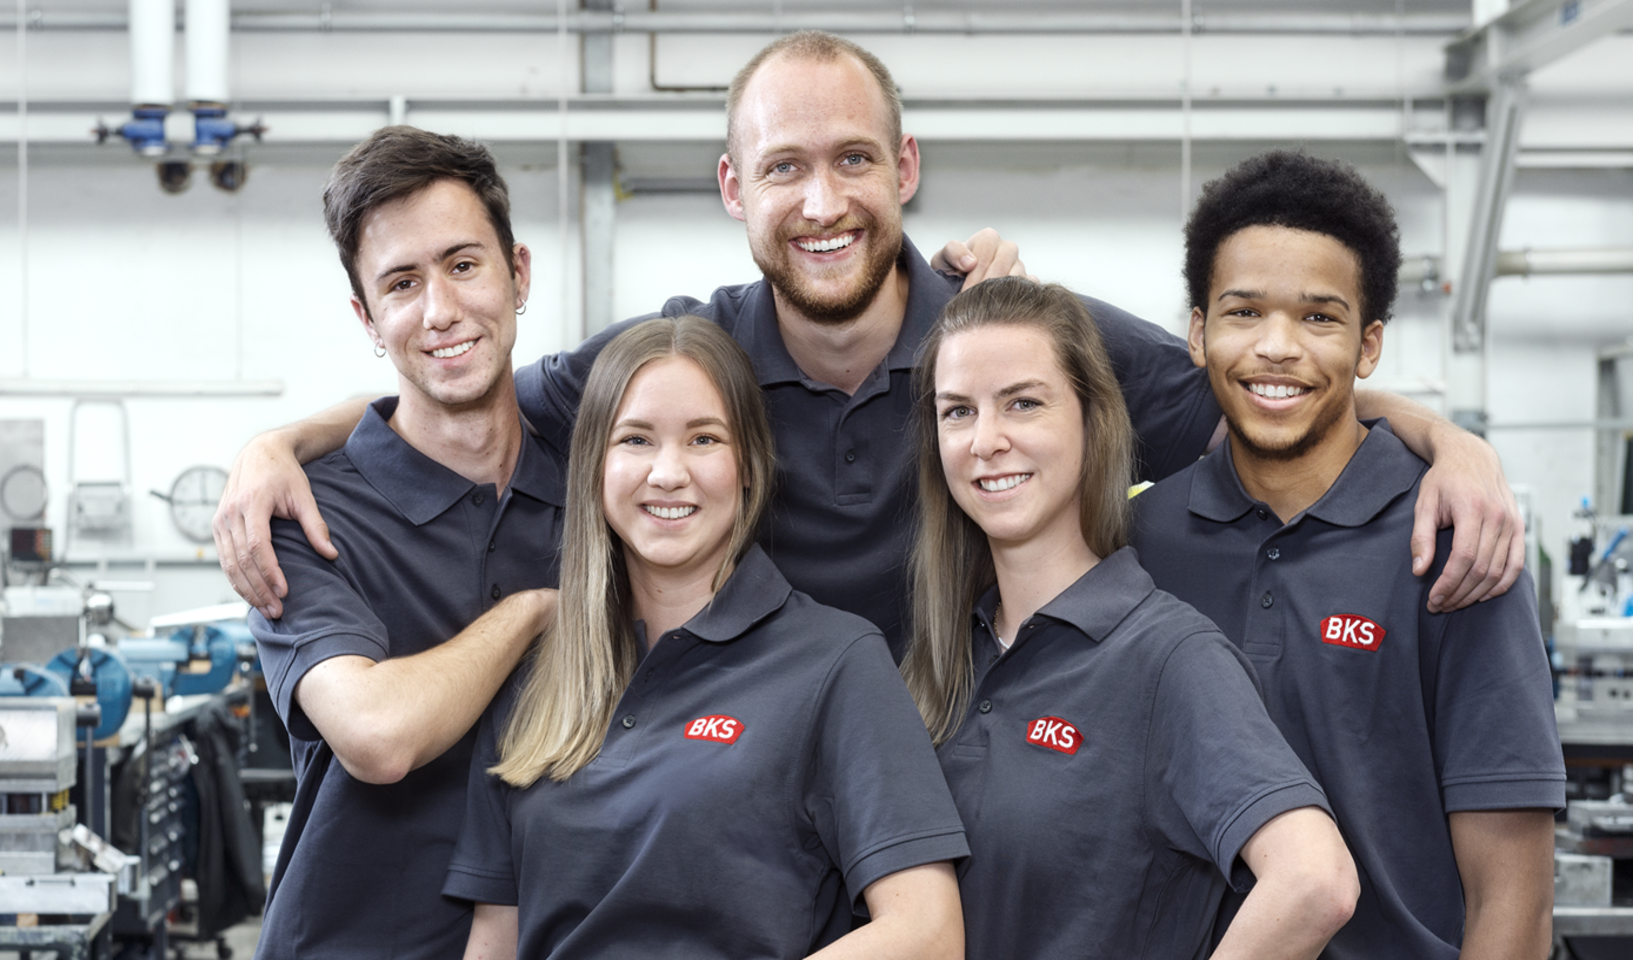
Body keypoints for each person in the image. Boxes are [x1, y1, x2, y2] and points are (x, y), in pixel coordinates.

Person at [214, 32, 1524, 657]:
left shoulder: (1020, 339)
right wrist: (278, 442)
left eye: (853, 160)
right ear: (735, 189)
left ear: (905, 166)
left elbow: (1264, 389)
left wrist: (1449, 440)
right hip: (755, 796)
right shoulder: (679, 362)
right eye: (784, 168)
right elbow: (476, 391)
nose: (824, 202)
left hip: (979, 790)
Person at [1131, 150, 1564, 958]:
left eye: (1320, 318)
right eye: (1244, 312)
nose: (1278, 347)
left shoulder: (1455, 544)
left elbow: (1514, 901)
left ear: (1369, 347)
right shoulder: (1141, 542)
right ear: (1198, 332)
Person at [444, 316, 969, 960]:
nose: (668, 473)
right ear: (593, 468)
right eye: (635, 439)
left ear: (748, 464)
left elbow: (927, 931)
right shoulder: (534, 678)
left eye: (703, 439)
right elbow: (496, 940)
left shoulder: (836, 662)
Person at [901, 277, 1357, 959]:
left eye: (1023, 403)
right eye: (957, 412)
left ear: (1093, 420)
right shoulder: (939, 657)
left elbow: (1316, 881)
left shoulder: (1169, 659)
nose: (985, 440)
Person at [246, 126, 566, 960]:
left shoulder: (601, 484)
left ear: (518, 272)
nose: (441, 311)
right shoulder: (303, 518)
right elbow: (376, 735)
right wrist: (536, 610)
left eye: (464, 264)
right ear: (367, 316)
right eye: (401, 283)